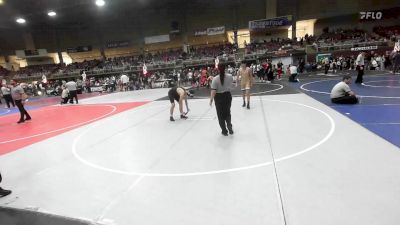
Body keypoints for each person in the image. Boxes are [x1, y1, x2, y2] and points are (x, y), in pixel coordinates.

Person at [210, 64, 234, 136]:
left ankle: (224, 131)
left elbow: (213, 91)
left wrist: (211, 100)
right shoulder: (230, 76)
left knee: (220, 115)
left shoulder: (215, 79)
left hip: (219, 98)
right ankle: (229, 127)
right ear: (225, 68)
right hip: (227, 96)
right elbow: (230, 84)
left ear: (218, 69)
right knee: (227, 112)